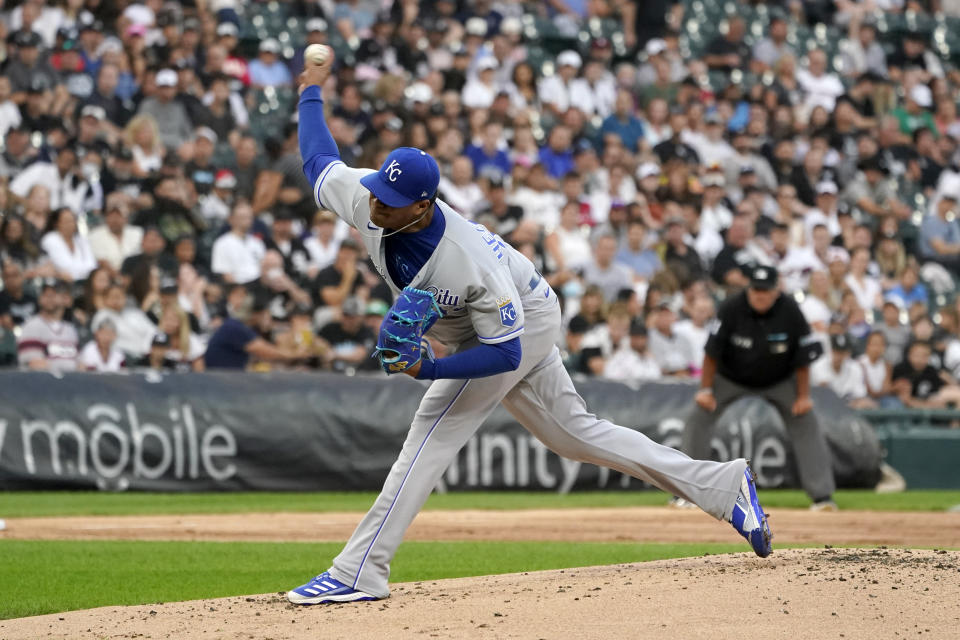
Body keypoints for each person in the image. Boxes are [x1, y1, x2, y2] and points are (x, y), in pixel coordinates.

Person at [285, 49, 772, 606]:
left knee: (433, 427)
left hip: (521, 318)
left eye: (391, 202)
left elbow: (505, 354)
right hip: (481, 321)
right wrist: (311, 91)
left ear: (422, 206)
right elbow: (318, 159)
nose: (375, 204)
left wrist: (433, 369)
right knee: (573, 434)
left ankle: (360, 571)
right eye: (376, 191)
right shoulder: (368, 195)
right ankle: (721, 484)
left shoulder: (462, 255)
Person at [681, 266, 837, 511]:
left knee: (805, 418)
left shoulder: (790, 311)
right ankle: (686, 493)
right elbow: (711, 352)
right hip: (730, 376)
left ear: (776, 291)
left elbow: (803, 357)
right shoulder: (731, 307)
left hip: (779, 380)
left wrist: (804, 397)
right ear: (749, 289)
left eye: (765, 290)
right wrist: (705, 390)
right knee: (699, 415)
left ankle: (822, 496)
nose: (759, 295)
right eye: (755, 289)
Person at [17, 279, 79, 373]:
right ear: (39, 299)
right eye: (45, 294)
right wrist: (70, 369)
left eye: (54, 293)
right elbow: (34, 364)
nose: (49, 296)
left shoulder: (70, 330)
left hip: (70, 384)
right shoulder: (31, 326)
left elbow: (80, 365)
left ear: (65, 299)